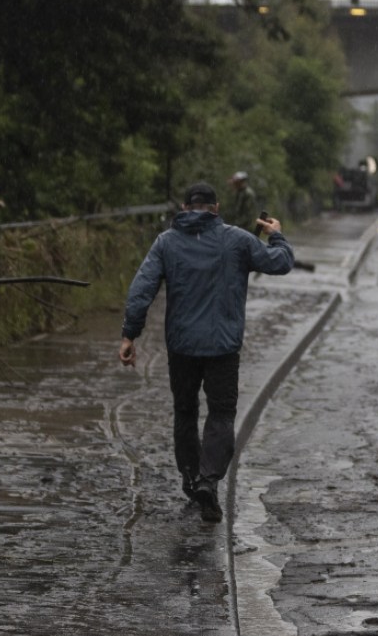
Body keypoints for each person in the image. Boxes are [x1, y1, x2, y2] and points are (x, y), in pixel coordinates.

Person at [118, 181, 293, 523]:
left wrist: (129, 335)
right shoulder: (239, 239)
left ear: (185, 208)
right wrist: (277, 235)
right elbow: (281, 263)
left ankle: (190, 479)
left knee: (184, 413)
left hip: (181, 347)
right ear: (216, 207)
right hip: (223, 348)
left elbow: (142, 288)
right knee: (221, 414)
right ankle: (209, 481)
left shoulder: (166, 243)